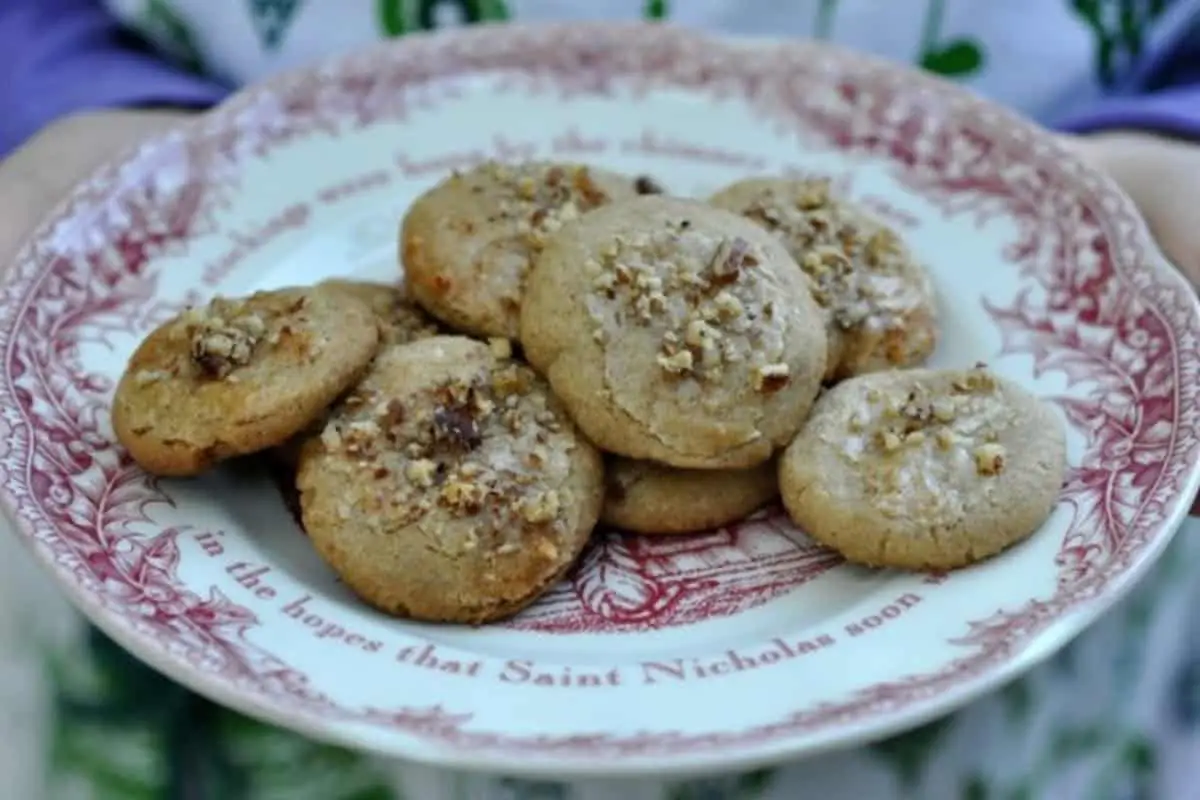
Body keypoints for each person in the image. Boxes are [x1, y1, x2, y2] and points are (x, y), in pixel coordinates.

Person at [0, 1, 1197, 798]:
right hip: (236, 725)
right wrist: (60, 101)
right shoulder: (444, 345)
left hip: (1009, 724)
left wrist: (1164, 147)